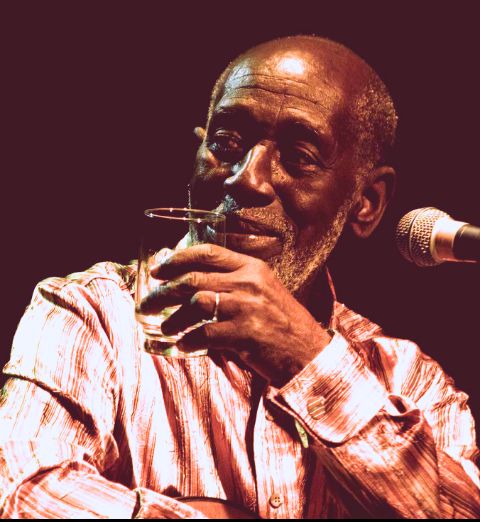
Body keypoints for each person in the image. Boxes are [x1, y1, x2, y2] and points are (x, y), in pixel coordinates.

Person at [0, 35, 479, 519]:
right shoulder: (92, 315)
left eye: (299, 156)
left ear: (367, 202)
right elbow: (18, 494)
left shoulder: (410, 379)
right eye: (227, 143)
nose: (246, 178)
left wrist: (306, 357)